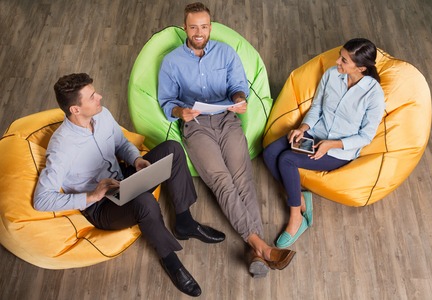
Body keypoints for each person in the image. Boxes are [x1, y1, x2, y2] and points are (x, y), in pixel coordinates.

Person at [33, 73, 227, 297]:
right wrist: (92, 196)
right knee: (145, 202)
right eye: (92, 96)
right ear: (75, 109)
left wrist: (136, 159)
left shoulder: (102, 115)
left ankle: (185, 222)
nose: (100, 96)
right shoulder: (61, 147)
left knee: (172, 149)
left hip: (124, 177)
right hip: (102, 206)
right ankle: (171, 261)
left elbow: (121, 142)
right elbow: (42, 199)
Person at [157, 2, 295, 277]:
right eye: (193, 26)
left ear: (211, 26)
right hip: (196, 127)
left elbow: (238, 88)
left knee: (243, 177)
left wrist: (240, 101)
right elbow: (166, 102)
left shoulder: (226, 53)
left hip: (227, 120)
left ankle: (255, 249)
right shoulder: (171, 61)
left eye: (204, 26)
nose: (199, 32)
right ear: (185, 27)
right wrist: (179, 111)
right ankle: (261, 246)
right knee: (222, 180)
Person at [263, 38, 386, 248]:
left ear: (361, 68)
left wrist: (332, 144)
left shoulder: (373, 95)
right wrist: (303, 128)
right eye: (340, 55)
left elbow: (366, 136)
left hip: (339, 150)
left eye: (344, 60)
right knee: (270, 152)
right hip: (316, 133)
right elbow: (317, 108)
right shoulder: (331, 74)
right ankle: (301, 197)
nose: (338, 61)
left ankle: (296, 217)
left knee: (287, 160)